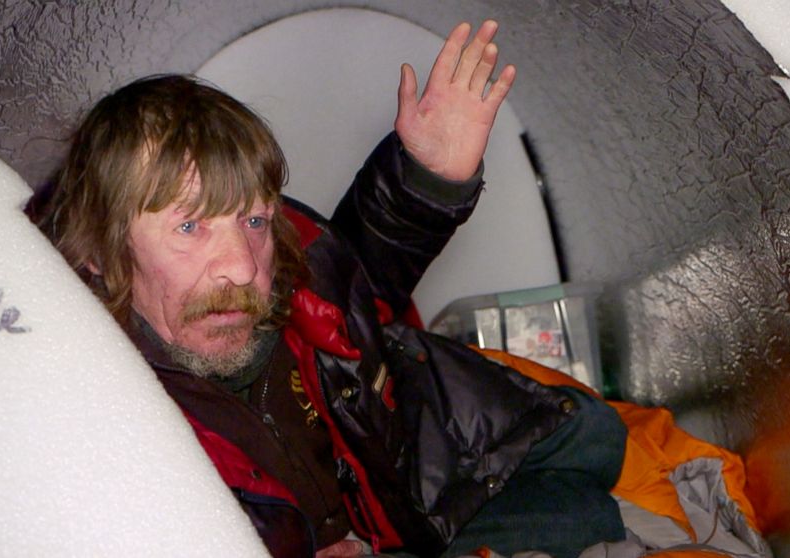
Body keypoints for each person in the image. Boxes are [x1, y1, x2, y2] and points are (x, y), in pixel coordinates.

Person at [37, 20, 627, 558]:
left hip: (392, 475)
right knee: (588, 518)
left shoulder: (273, 263)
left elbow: (346, 285)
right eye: (189, 226)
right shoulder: (103, 415)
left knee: (600, 440)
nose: (242, 267)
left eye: (252, 220)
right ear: (99, 252)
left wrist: (427, 178)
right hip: (373, 535)